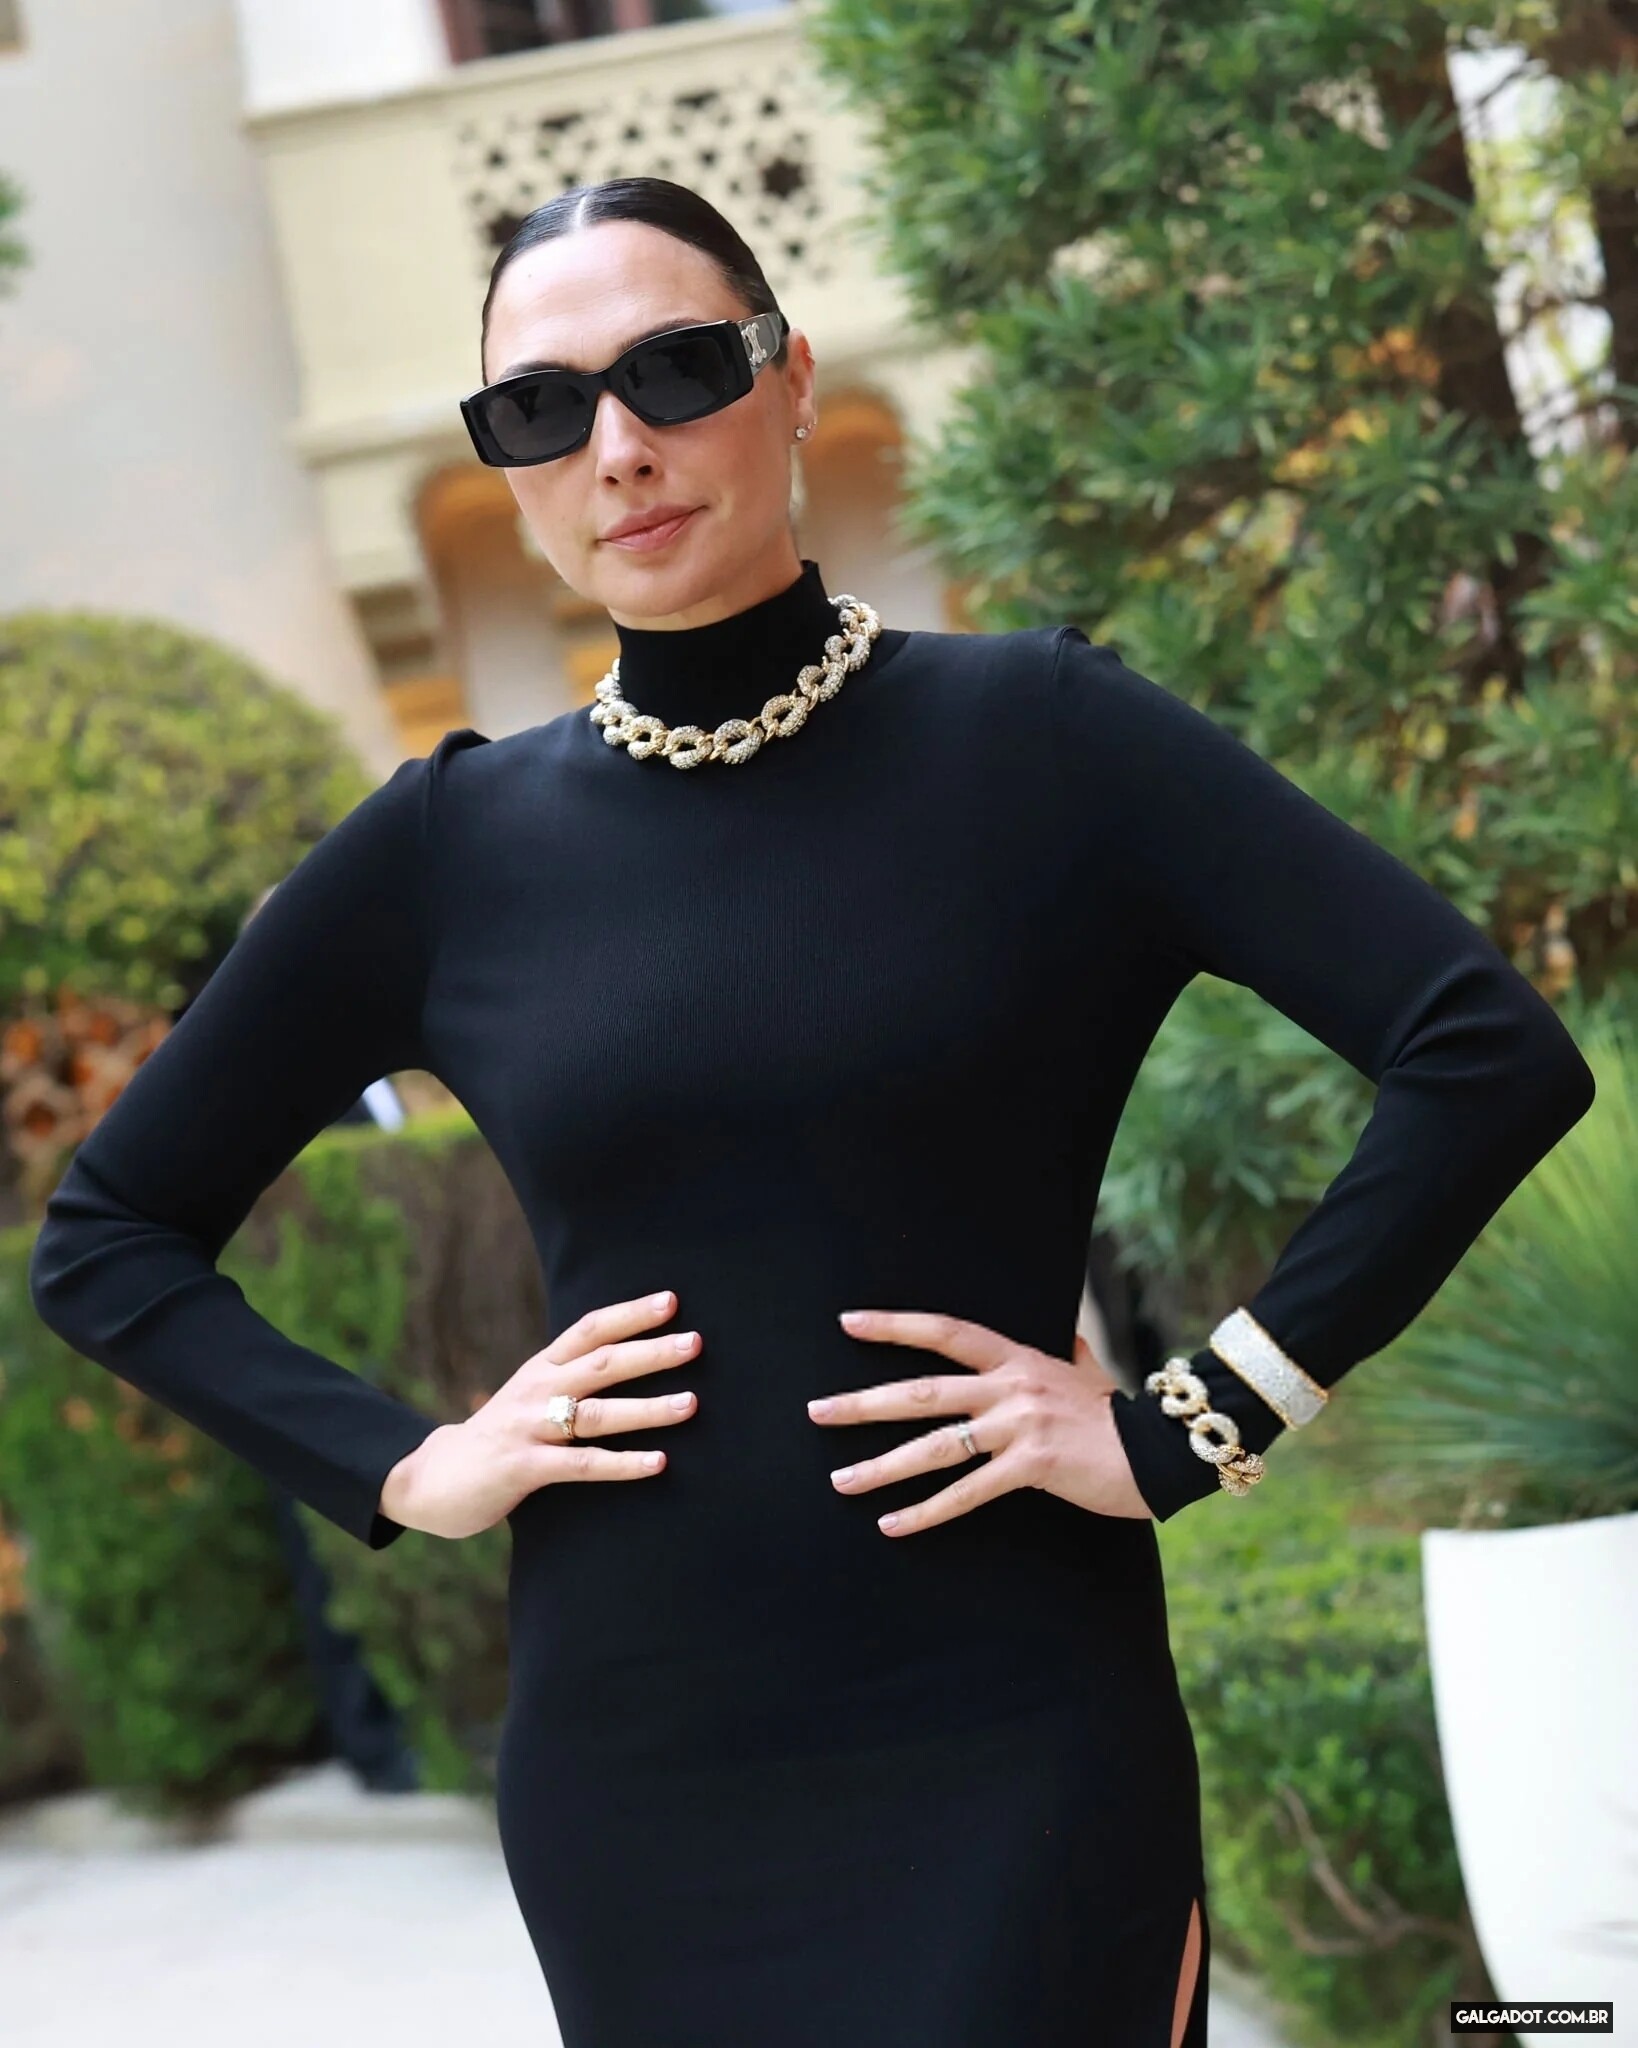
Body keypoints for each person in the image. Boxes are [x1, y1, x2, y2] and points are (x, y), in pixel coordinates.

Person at [28, 176, 1596, 2048]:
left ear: (789, 383)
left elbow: (1481, 1051)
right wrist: (407, 1466)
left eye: (676, 371)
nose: (617, 447)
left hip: (1015, 1730)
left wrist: (1199, 1418)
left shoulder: (1043, 742)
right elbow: (107, 1239)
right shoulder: (446, 850)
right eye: (540, 410)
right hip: (644, 1778)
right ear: (504, 470)